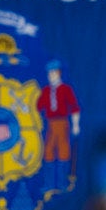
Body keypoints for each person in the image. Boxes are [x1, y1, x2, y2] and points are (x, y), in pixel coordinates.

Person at [36, 59, 81, 191]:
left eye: (53, 73)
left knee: (63, 150)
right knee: (49, 150)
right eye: (49, 74)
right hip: (51, 123)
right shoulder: (46, 90)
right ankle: (49, 183)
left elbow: (74, 107)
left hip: (62, 122)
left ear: (59, 73)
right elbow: (38, 106)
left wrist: (76, 124)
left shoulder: (66, 89)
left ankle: (61, 182)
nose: (51, 76)